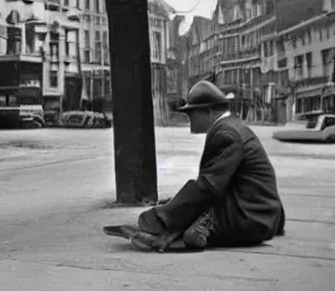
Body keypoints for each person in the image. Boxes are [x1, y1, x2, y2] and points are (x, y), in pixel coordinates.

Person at [104, 80, 285, 253]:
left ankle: (161, 238)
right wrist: (175, 204)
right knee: (188, 210)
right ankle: (165, 233)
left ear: (209, 112)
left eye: (191, 114)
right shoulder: (231, 126)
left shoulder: (226, 134)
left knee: (192, 222)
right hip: (259, 212)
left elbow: (207, 187)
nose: (189, 120)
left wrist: (160, 217)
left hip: (251, 217)